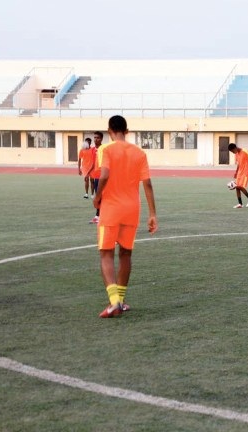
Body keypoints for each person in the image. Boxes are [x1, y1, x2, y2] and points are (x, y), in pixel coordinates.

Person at [93, 115, 158, 318]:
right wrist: (153, 213)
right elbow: (147, 183)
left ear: (109, 130)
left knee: (106, 253)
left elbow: (103, 175)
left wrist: (97, 197)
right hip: (133, 208)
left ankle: (114, 302)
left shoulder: (107, 149)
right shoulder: (139, 153)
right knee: (126, 254)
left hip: (111, 208)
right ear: (126, 130)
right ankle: (120, 300)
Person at [228, 143, 248, 208]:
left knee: (240, 186)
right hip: (239, 173)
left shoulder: (245, 151)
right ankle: (240, 204)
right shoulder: (236, 154)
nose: (233, 153)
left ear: (235, 148)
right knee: (237, 187)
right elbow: (239, 163)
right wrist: (236, 172)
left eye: (232, 151)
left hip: (245, 172)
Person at [89, 132, 104, 223]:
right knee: (98, 196)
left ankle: (98, 216)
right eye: (94, 138)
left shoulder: (104, 149)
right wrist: (88, 173)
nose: (95, 139)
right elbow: (93, 163)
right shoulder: (92, 150)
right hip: (96, 176)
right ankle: (99, 216)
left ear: (101, 139)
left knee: (101, 196)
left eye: (98, 138)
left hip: (102, 176)